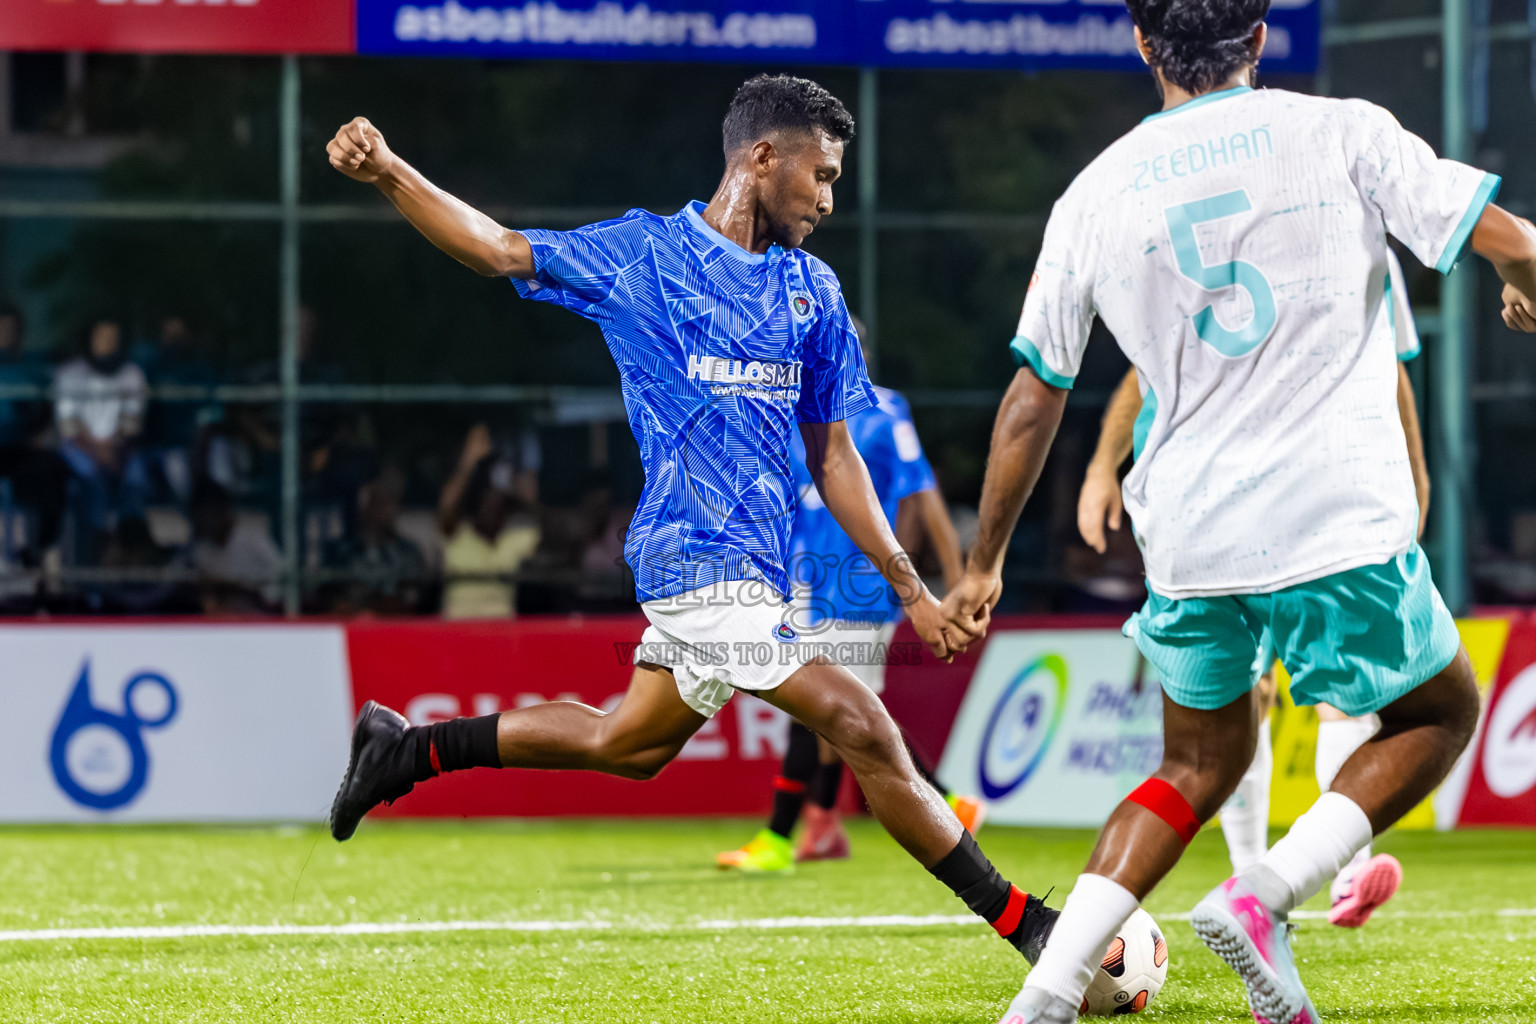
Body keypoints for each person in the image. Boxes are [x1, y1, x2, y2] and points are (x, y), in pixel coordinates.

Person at [323, 73, 1060, 967]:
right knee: (861, 724)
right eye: (819, 175)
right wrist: (392, 170)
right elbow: (499, 249)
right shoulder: (645, 257)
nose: (829, 199)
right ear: (761, 157)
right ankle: (1031, 927)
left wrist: (913, 591)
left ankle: (406, 751)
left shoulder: (812, 293)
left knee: (627, 744)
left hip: (762, 575)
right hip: (690, 560)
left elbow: (834, 458)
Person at [938, 2, 1536, 1021]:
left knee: (1192, 763)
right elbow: (1507, 236)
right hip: (1334, 515)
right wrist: (1522, 284)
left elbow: (1034, 396)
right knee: (1438, 711)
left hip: (1191, 535)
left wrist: (984, 559)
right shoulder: (1342, 130)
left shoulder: (1093, 193)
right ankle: (1264, 894)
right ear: (1260, 37)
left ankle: (1042, 998)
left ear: (1140, 43)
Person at [1077, 250, 1429, 925]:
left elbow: (1387, 362)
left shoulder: (1360, 237)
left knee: (1339, 683)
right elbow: (1144, 372)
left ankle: (1338, 872)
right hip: (1206, 489)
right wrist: (1101, 465)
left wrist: (1413, 472)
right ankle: (1255, 880)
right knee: (1252, 696)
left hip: (1308, 483)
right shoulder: (1199, 242)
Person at [717, 318, 986, 873]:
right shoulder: (792, 413)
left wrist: (958, 579)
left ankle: (782, 837)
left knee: (830, 710)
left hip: (859, 587)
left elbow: (924, 492)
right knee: (820, 708)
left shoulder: (887, 411)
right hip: (804, 583)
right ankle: (824, 824)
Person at [53, 317, 150, 564]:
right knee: (89, 476)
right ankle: (95, 549)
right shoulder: (68, 373)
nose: (107, 344)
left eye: (112, 339)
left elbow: (131, 425)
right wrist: (98, 451)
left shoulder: (132, 374)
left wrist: (113, 450)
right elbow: (69, 426)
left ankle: (131, 544)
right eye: (101, 338)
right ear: (89, 339)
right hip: (80, 448)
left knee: (136, 472)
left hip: (119, 449)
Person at [437, 424, 541, 619]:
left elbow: (541, 521)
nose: (493, 508)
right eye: (487, 499)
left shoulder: (515, 538)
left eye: (499, 503)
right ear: (477, 501)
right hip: (457, 631)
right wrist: (468, 462)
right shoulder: (457, 534)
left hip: (502, 634)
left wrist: (516, 482)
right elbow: (446, 507)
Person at [0, 301, 69, 569]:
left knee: (53, 469)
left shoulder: (33, 370)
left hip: (18, 448)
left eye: (9, 329)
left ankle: (39, 548)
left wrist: (36, 432)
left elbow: (48, 408)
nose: (4, 335)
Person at [321, 465, 426, 615]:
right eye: (367, 501)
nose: (374, 509)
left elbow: (411, 601)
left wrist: (377, 603)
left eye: (380, 501)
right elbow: (328, 599)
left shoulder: (408, 553)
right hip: (351, 626)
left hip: (393, 629)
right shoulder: (339, 552)